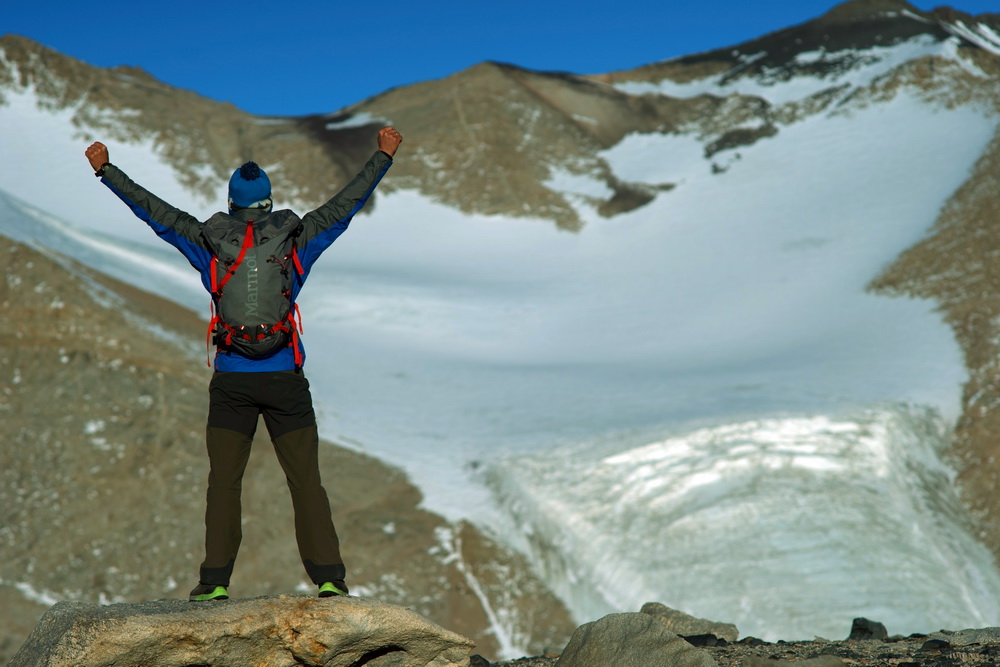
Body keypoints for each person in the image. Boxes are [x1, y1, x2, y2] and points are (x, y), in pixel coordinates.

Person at [84, 126, 403, 601]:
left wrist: (107, 171)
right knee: (305, 483)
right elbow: (344, 206)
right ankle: (329, 579)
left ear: (232, 203)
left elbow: (156, 213)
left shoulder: (208, 242)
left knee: (224, 485)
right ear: (268, 203)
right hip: (285, 381)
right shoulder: (296, 240)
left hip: (232, 383)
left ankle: (214, 583)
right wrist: (382, 157)